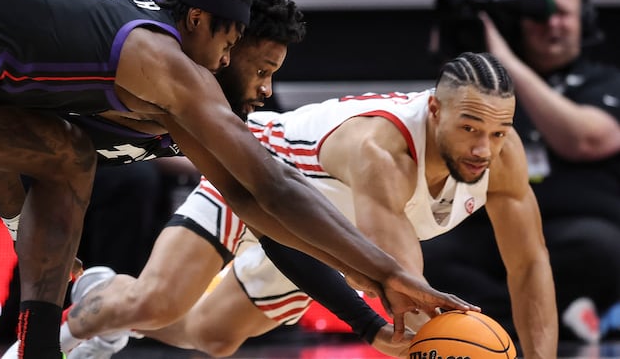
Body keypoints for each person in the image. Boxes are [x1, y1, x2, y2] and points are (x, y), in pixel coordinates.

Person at [0, 0, 472, 359]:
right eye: (241, 54)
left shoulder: (164, 85)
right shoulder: (165, 62)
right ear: (200, 23)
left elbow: (15, 140)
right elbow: (270, 190)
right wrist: (387, 273)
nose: (254, 80)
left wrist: (369, 304)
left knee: (69, 155)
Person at [0, 0, 413, 359]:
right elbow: (0, 123)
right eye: (261, 71)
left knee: (209, 333)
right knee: (97, 222)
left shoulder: (211, 103)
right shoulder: (150, 65)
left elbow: (274, 228)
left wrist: (368, 316)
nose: (267, 89)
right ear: (224, 45)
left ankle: (87, 307)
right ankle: (45, 326)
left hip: (57, 157)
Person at [60, 51, 558, 359]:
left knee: (212, 336)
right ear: (434, 109)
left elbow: (530, 265)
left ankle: (108, 302)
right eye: (470, 128)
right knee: (158, 300)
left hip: (323, 231)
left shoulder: (501, 154)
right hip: (259, 172)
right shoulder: (382, 152)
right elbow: (403, 287)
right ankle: (56, 332)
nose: (483, 148)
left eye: (498, 132)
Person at [423, 0, 620, 343]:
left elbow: (586, 140)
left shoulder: (606, 82)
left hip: (574, 231)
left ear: (584, 21)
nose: (551, 24)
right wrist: (457, 70)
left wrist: (505, 63)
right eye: (538, 15)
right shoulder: (482, 88)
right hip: (488, 226)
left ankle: (493, 328)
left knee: (600, 249)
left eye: (562, 14)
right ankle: (551, 322)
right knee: (428, 255)